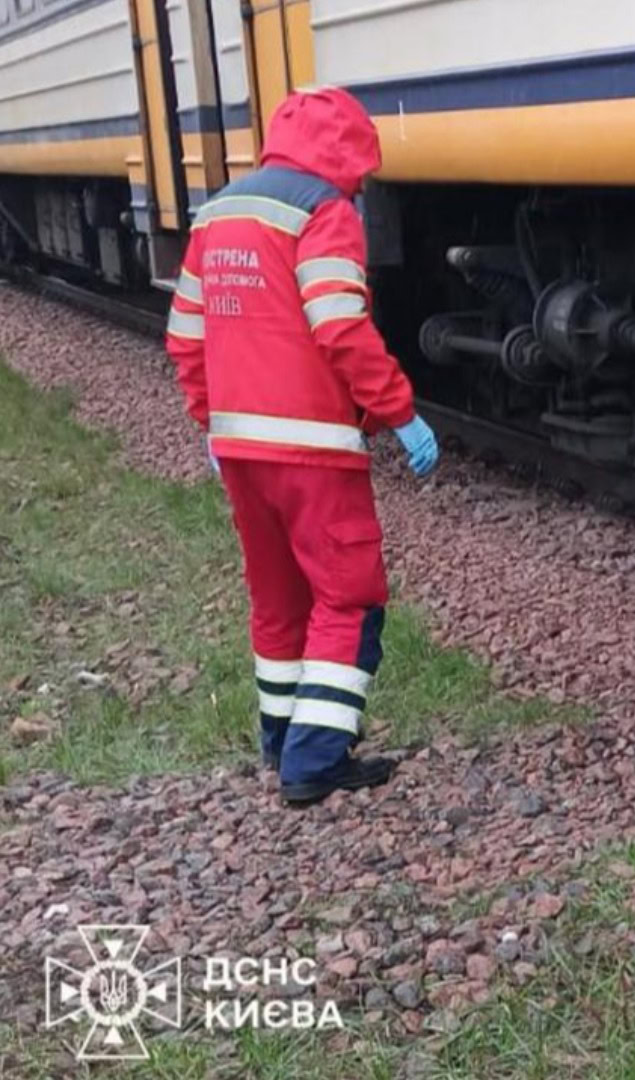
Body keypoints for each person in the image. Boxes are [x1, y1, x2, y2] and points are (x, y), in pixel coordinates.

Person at [164, 88, 438, 807]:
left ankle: (279, 739)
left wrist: (212, 423)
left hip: (240, 450)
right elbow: (338, 324)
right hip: (315, 448)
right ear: (351, 155)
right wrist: (399, 412)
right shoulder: (325, 213)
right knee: (349, 595)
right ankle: (315, 762)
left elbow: (186, 338)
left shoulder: (219, 212)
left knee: (277, 597)